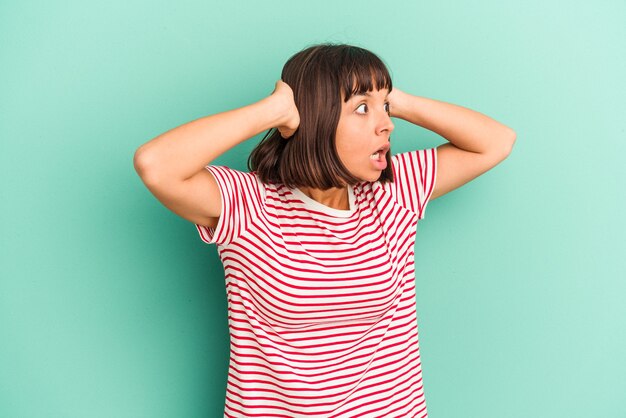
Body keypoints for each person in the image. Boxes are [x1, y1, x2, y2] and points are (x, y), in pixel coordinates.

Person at [133, 43, 516, 418]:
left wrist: (389, 98)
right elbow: (156, 165)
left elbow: (496, 142)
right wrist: (275, 110)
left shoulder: (393, 192)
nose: (387, 125)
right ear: (315, 118)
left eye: (385, 110)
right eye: (361, 109)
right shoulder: (249, 204)